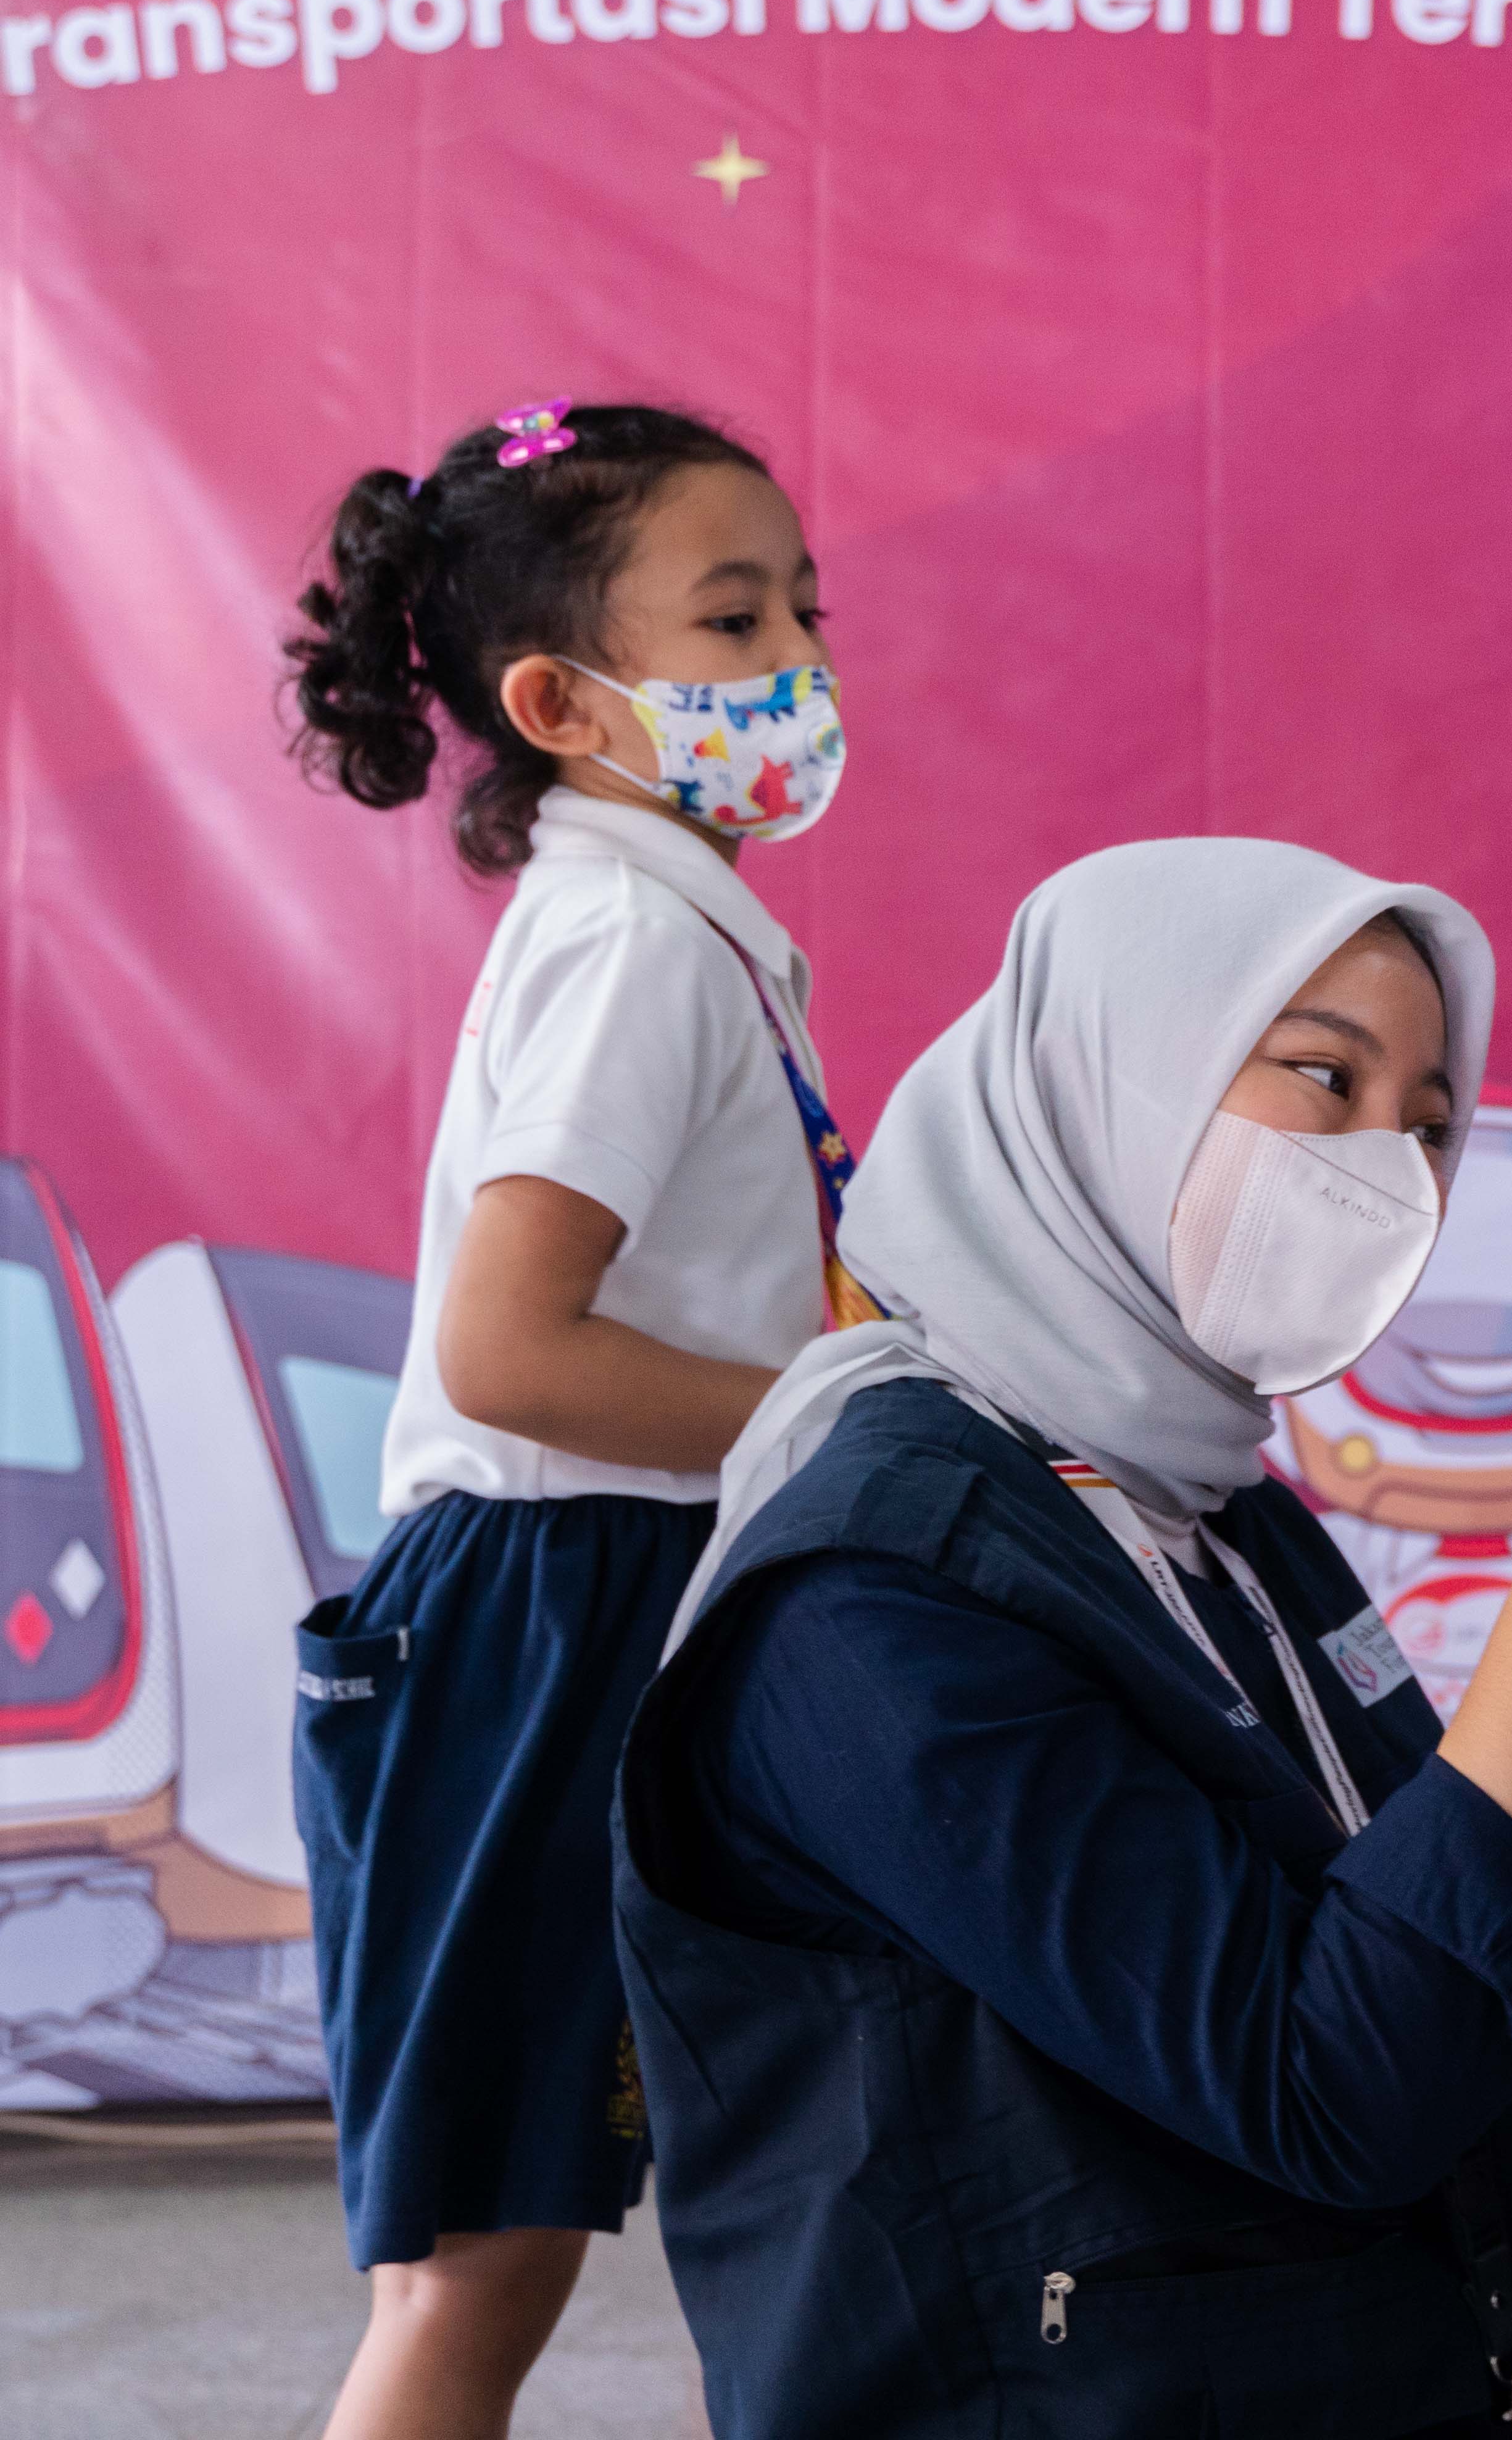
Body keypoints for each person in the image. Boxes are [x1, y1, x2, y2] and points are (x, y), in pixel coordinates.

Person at [612, 839, 1512, 2438]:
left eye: (1429, 1124)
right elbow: (1338, 2085)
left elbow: (1408, 1975)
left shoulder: (1216, 1511)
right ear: (1108, 1084)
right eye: (1324, 1078)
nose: (1387, 1167)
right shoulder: (875, 1598)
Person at [278, 398, 855, 2440]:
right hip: (540, 1617)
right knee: (477, 2261)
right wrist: (842, 1411)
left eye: (806, 608)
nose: (799, 662)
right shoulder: (633, 942)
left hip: (635, 1588)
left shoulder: (680, 921)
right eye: (733, 620)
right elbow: (509, 1353)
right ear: (560, 703)